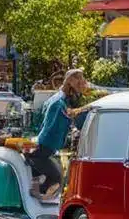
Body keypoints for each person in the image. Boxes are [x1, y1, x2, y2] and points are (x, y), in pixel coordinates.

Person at [27, 69, 92, 203]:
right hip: (44, 147)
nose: (80, 92)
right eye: (78, 85)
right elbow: (67, 115)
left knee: (55, 177)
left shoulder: (58, 99)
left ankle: (38, 199)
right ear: (71, 85)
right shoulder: (59, 103)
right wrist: (88, 108)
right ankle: (35, 200)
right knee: (56, 177)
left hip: (45, 147)